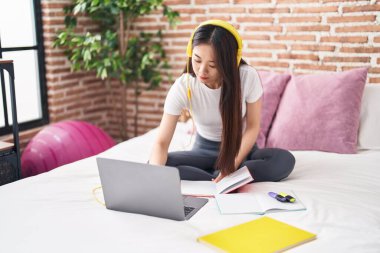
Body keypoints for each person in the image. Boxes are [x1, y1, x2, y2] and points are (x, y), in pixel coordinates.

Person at [149, 20, 295, 183]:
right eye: (197, 60)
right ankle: (222, 176)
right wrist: (156, 175)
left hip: (240, 150)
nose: (202, 71)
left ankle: (223, 173)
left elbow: (253, 127)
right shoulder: (183, 86)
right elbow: (161, 143)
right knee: (156, 163)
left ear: (229, 63)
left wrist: (232, 164)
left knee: (284, 161)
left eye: (213, 64)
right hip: (204, 150)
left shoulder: (247, 77)